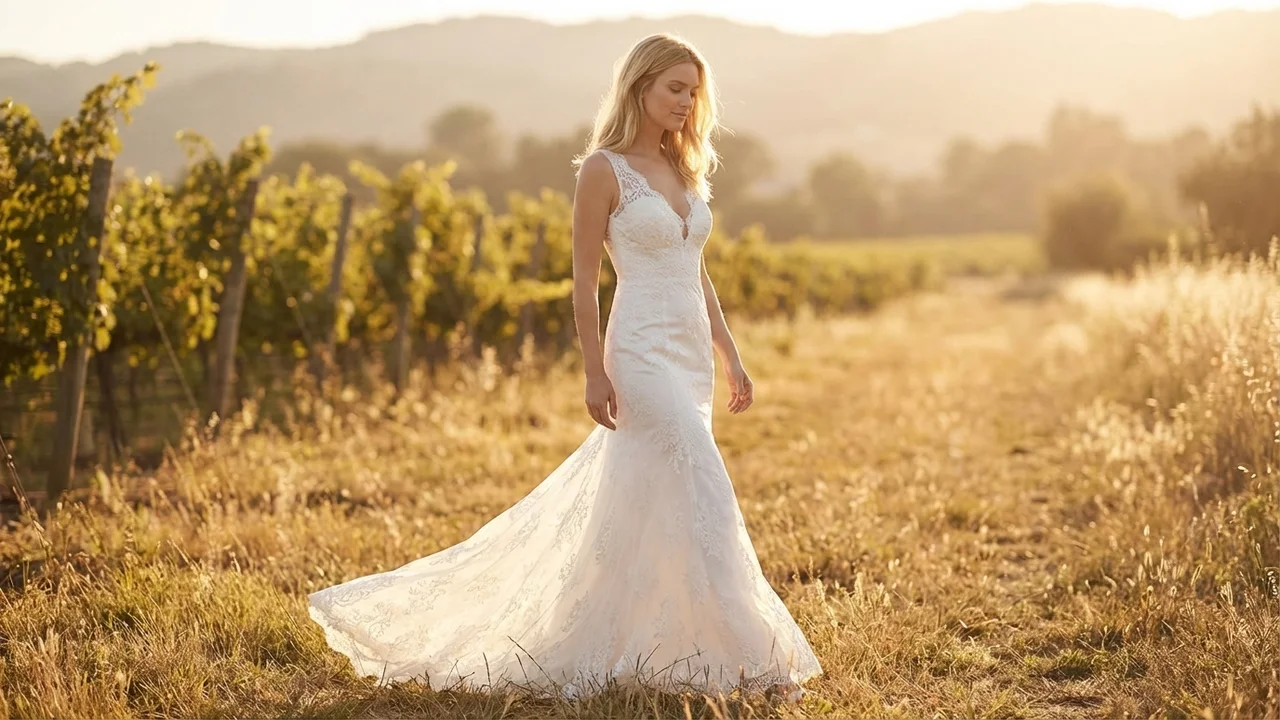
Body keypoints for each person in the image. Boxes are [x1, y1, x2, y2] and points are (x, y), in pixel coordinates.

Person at [307, 32, 823, 701]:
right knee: (702, 478)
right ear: (640, 87)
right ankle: (750, 660)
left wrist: (732, 355)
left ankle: (659, 648)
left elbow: (698, 274)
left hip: (688, 350)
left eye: (694, 91)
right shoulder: (603, 171)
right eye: (674, 88)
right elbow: (583, 283)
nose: (686, 103)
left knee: (654, 498)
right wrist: (593, 372)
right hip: (637, 350)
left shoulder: (686, 168)